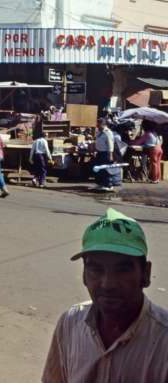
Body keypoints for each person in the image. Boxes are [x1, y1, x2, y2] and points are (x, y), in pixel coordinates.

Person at [42, 208, 168, 382]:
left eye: (122, 269)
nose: (108, 284)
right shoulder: (70, 322)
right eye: (95, 269)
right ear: (85, 275)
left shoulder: (163, 340)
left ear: (145, 274)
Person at [94, 117, 115, 192]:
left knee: (106, 170)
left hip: (106, 153)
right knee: (98, 169)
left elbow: (110, 144)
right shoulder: (99, 132)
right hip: (99, 152)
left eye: (99, 124)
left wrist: (111, 155)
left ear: (103, 124)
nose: (97, 126)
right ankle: (100, 184)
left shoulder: (108, 132)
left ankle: (108, 185)